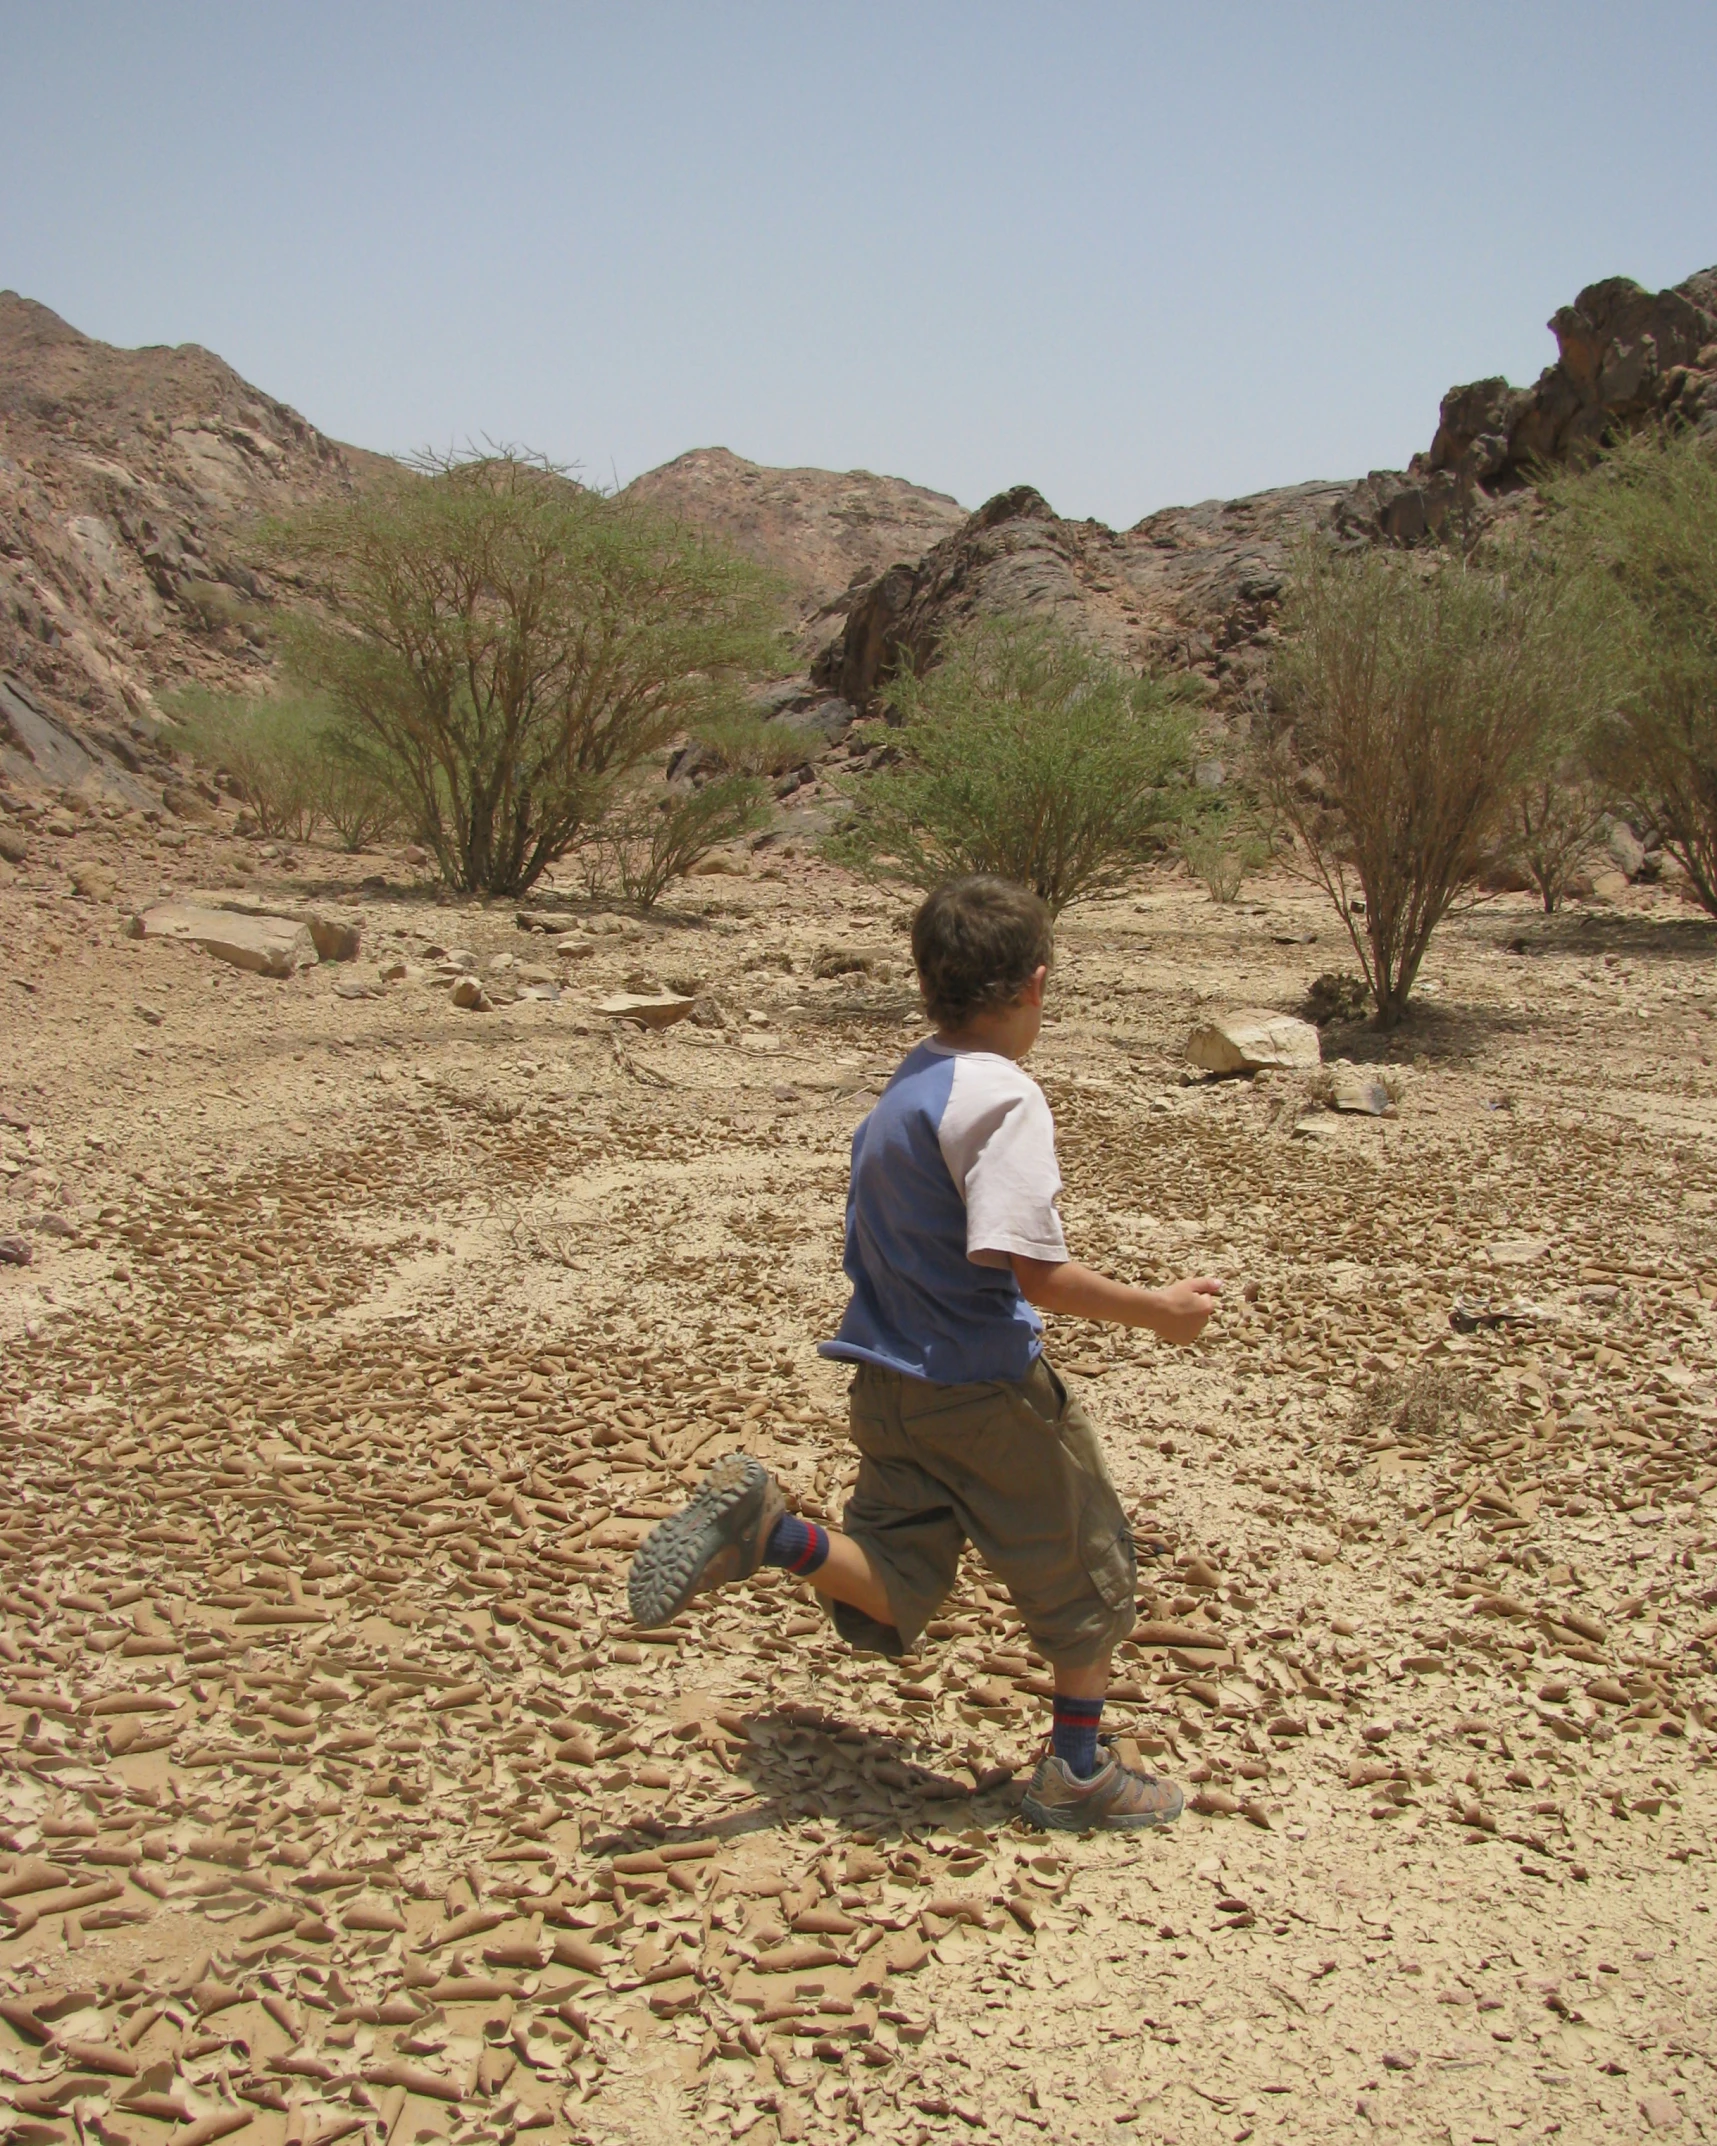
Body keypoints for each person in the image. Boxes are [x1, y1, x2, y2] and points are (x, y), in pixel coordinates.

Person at [629, 875, 1220, 1830]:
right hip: (982, 1390)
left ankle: (771, 1537)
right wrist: (1161, 1311)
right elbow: (1030, 1272)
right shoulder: (1003, 1098)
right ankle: (1076, 1771)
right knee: (1091, 1569)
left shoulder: (908, 1084)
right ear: (1032, 984)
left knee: (899, 1580)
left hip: (886, 1382)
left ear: (927, 982)